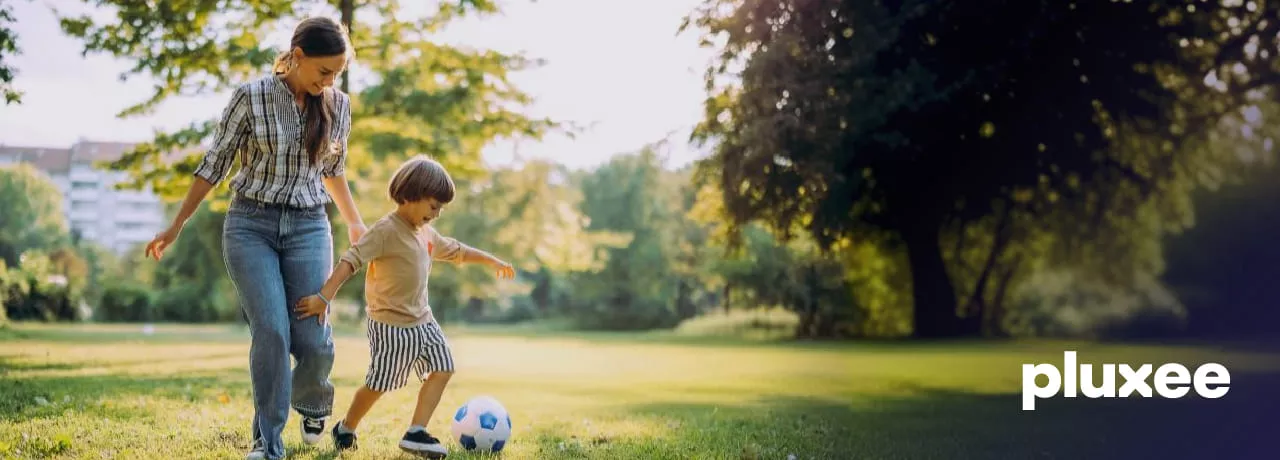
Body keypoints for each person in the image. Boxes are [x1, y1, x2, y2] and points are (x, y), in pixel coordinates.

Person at [143, 16, 365, 460]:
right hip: (251, 226)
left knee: (312, 337)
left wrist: (356, 223)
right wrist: (177, 223)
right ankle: (267, 442)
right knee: (272, 333)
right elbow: (215, 164)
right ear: (297, 56)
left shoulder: (337, 105)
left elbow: (332, 171)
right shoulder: (251, 96)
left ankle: (312, 402)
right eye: (324, 71)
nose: (330, 81)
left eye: (337, 73)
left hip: (308, 226)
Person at [294, 155, 516, 458]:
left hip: (423, 320)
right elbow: (351, 260)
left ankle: (416, 431)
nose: (437, 214)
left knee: (443, 367)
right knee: (379, 383)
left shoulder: (426, 234)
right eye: (433, 206)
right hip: (390, 325)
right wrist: (324, 297)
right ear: (411, 195)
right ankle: (345, 427)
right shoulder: (385, 231)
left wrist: (492, 261)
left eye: (440, 208)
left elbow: (457, 251)